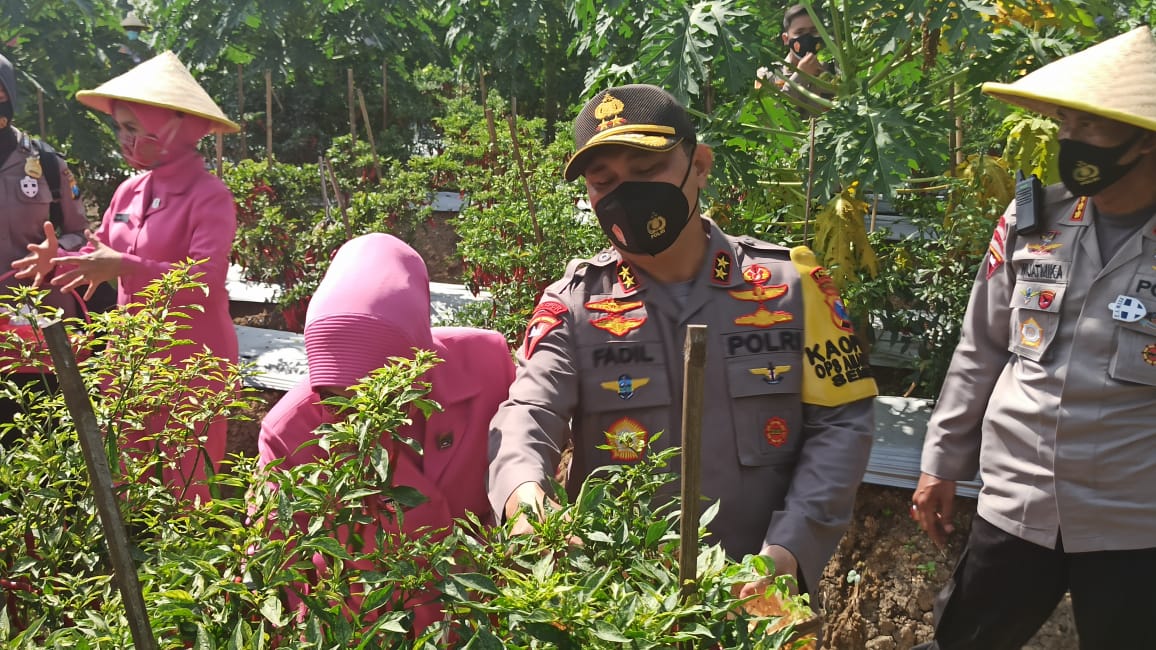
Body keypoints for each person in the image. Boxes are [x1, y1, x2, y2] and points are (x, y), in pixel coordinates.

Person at [487, 83, 877, 598]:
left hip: (762, 604)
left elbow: (842, 423)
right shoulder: (574, 306)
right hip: (621, 609)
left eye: (648, 172)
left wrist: (786, 554)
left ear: (699, 165)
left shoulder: (792, 287)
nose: (626, 195)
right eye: (603, 182)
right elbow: (527, 412)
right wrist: (524, 497)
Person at [911, 26, 1156, 650]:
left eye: (1091, 129)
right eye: (1066, 127)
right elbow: (981, 348)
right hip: (1017, 500)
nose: (1071, 143)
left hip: (1135, 521)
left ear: (1146, 140)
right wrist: (940, 462)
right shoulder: (1031, 220)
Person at [12, 51, 240, 504]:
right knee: (124, 475)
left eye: (133, 128)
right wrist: (60, 259)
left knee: (184, 482)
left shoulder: (210, 197)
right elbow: (103, 252)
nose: (123, 139)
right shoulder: (129, 190)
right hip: (129, 354)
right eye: (119, 127)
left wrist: (125, 267)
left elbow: (204, 281)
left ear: (177, 129)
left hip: (190, 360)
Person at [258, 233, 514, 632]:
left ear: (418, 356)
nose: (359, 411)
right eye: (335, 391)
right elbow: (276, 569)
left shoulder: (485, 364)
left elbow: (520, 471)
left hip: (482, 614)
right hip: (369, 625)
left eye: (378, 386)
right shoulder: (290, 432)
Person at [0, 53, 89, 433]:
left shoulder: (47, 162)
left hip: (40, 328)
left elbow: (81, 234)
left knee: (45, 436)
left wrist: (58, 254)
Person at [758, 4, 834, 117]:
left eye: (813, 31)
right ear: (786, 39)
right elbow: (772, 116)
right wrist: (801, 76)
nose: (807, 38)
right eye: (800, 32)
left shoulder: (833, 72)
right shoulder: (767, 74)